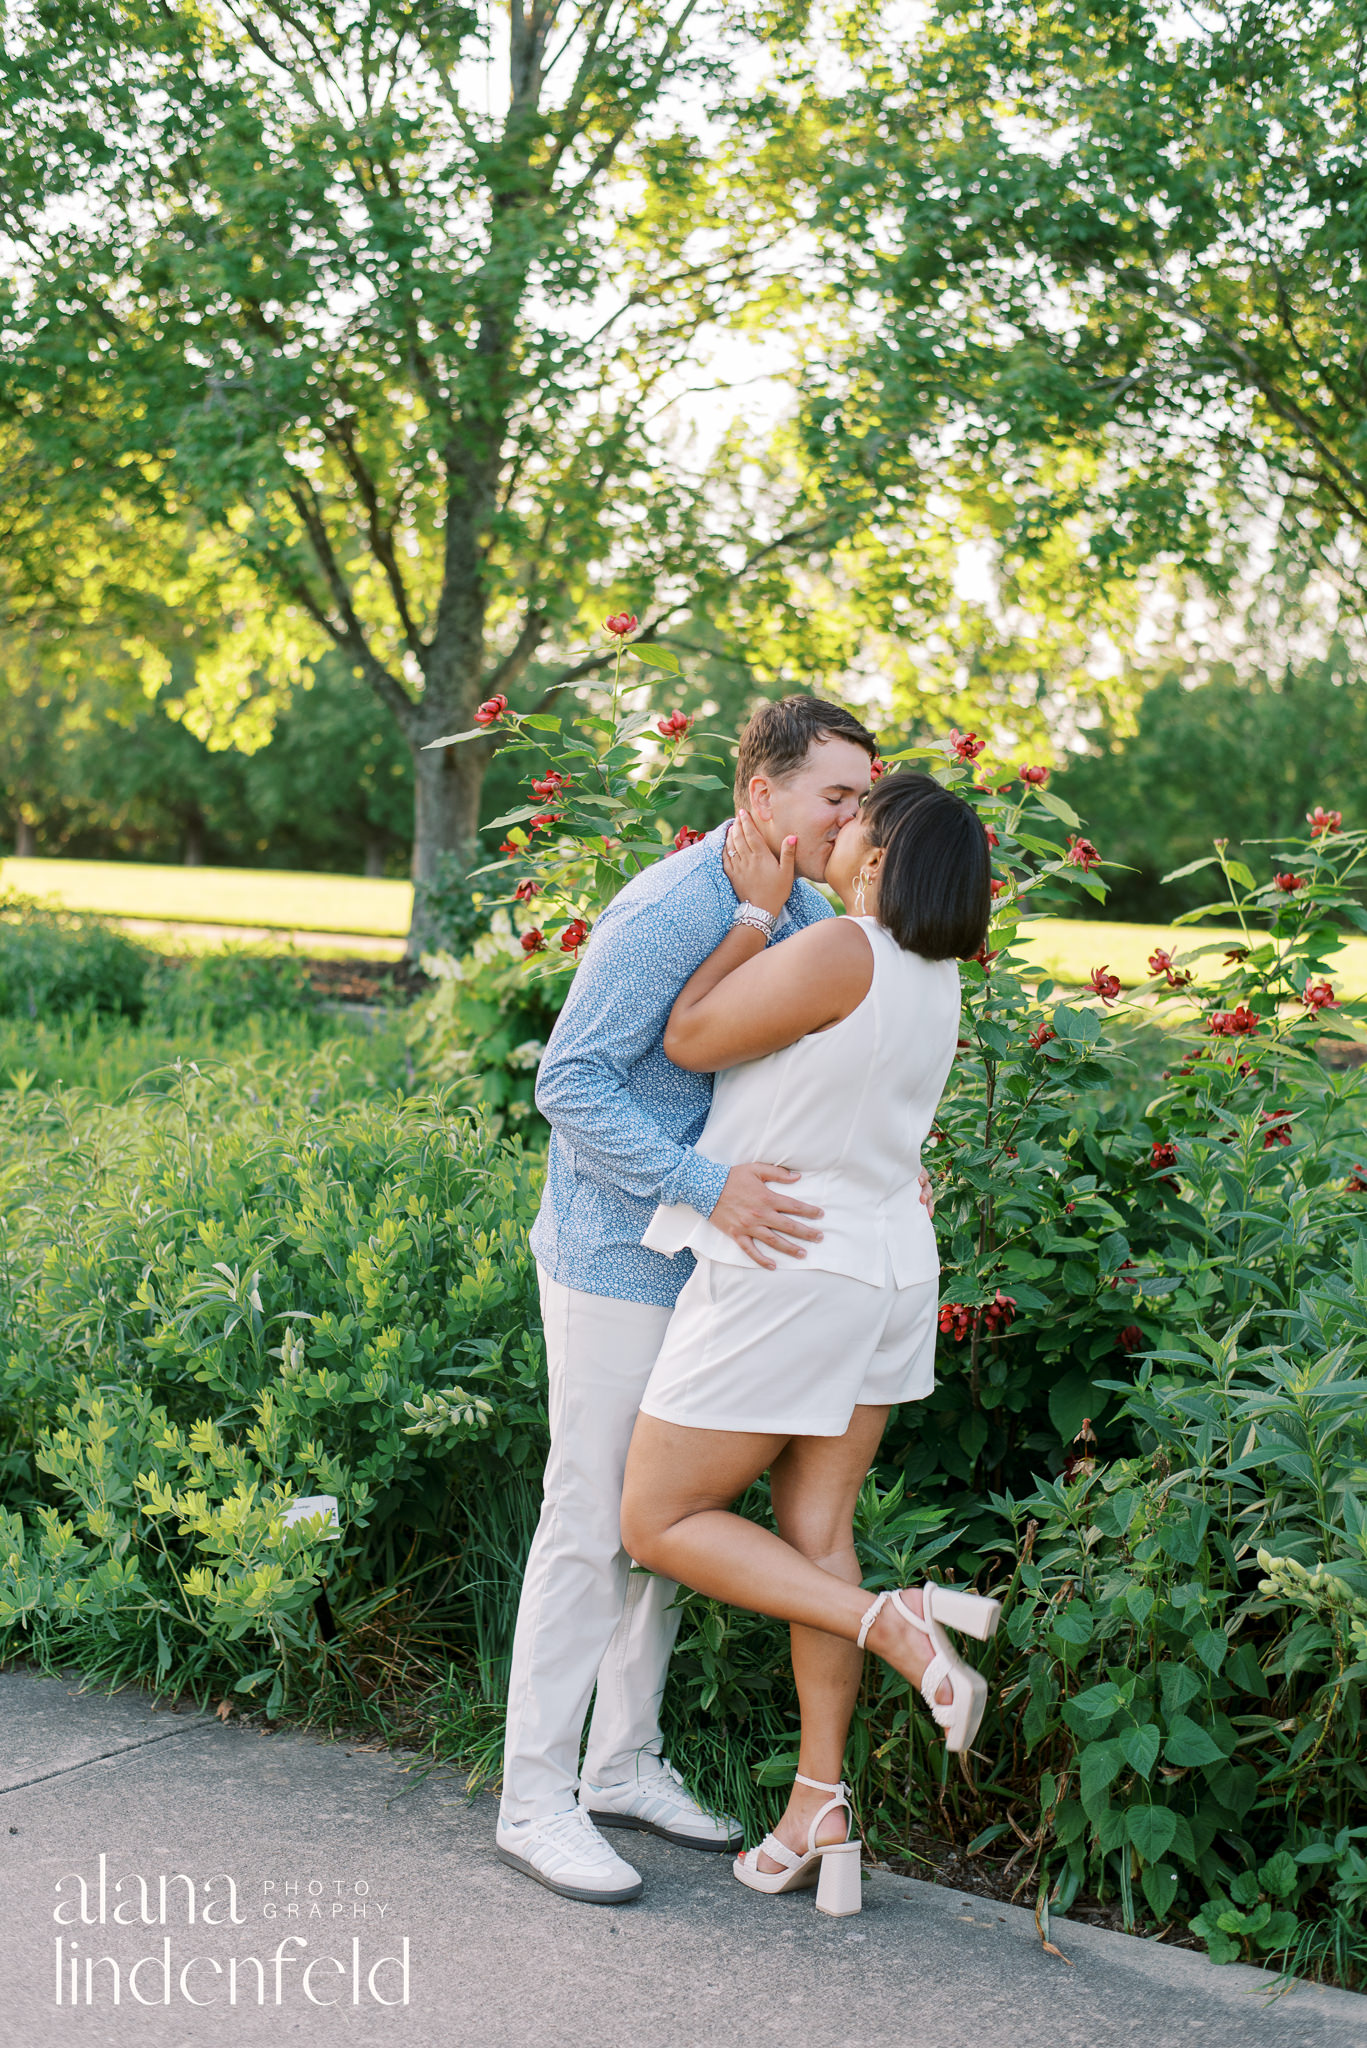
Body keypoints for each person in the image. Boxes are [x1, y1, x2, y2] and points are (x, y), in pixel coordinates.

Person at [498, 695, 924, 1905]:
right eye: (837, 796)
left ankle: (620, 1761)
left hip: (714, 1265)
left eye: (865, 795)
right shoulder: (672, 904)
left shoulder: (798, 907)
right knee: (590, 1519)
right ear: (762, 798)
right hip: (614, 1255)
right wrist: (705, 1186)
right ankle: (534, 1795)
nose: (857, 817)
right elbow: (567, 1085)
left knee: (667, 1519)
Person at [620, 770, 997, 1917]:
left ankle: (895, 1620)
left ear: (880, 861)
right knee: (815, 1531)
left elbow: (685, 1037)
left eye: (858, 824)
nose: (839, 833)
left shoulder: (846, 949)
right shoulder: (933, 978)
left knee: (657, 1518)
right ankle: (817, 1803)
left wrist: (745, 911)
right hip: (884, 1267)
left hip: (789, 1266)